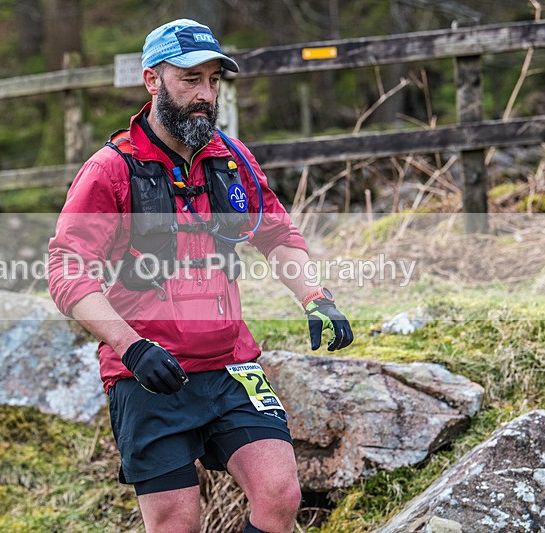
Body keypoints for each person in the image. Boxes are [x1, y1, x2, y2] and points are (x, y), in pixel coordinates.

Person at [47, 18, 353, 533]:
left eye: (213, 80)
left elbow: (275, 233)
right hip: (148, 373)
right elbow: (67, 272)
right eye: (190, 79)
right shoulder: (111, 170)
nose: (205, 94)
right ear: (152, 80)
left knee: (280, 496)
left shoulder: (232, 161)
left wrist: (315, 297)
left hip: (231, 364)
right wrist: (132, 346)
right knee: (176, 524)